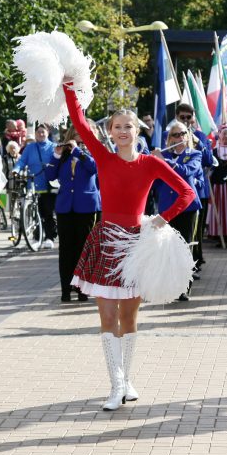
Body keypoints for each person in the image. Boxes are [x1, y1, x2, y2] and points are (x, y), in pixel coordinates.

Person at [64, 86, 194, 411]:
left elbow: (186, 193)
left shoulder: (151, 163)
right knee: (108, 317)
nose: (123, 131)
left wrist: (163, 219)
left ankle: (127, 378)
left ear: (139, 131)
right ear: (110, 131)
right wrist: (69, 86)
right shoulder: (103, 157)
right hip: (106, 241)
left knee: (129, 317)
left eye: (129, 126)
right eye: (117, 126)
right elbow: (79, 122)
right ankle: (116, 384)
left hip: (137, 245)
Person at [45, 125, 101, 303]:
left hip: (86, 206)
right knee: (66, 249)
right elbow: (50, 175)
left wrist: (78, 150)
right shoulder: (64, 154)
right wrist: (56, 155)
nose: (78, 138)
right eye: (75, 135)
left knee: (83, 248)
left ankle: (82, 289)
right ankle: (66, 289)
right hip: (65, 206)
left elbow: (94, 168)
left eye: (82, 135)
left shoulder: (93, 150)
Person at [153, 123, 203, 301]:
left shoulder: (194, 154)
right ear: (169, 139)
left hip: (188, 208)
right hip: (167, 208)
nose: (179, 138)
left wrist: (163, 162)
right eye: (175, 135)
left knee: (185, 247)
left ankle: (183, 287)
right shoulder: (163, 155)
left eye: (182, 134)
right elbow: (156, 183)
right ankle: (170, 286)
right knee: (168, 248)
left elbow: (187, 172)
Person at [174, 104, 213, 271]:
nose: (185, 121)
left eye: (188, 117)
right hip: (174, 191)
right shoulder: (171, 135)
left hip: (197, 189)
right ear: (176, 117)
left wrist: (199, 144)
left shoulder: (200, 135)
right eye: (182, 117)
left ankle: (196, 260)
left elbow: (209, 161)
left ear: (193, 118)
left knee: (196, 230)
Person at [14, 124, 57, 250]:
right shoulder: (30, 147)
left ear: (47, 133)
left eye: (43, 132)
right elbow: (22, 161)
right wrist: (16, 170)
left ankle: (49, 237)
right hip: (33, 183)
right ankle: (37, 236)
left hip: (48, 184)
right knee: (35, 212)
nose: (40, 134)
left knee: (48, 213)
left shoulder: (53, 147)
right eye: (38, 132)